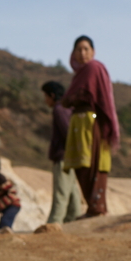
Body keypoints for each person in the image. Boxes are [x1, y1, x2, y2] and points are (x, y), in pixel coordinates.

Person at [61, 35, 120, 217]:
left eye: (86, 49)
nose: (82, 53)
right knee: (82, 165)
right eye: (79, 49)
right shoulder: (79, 75)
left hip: (91, 122)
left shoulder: (94, 68)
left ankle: (97, 207)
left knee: (92, 164)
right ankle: (92, 207)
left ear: (93, 52)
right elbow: (66, 100)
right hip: (79, 122)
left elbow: (99, 99)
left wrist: (75, 98)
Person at [42, 81, 82, 223]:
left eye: (45, 96)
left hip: (63, 157)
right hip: (70, 156)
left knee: (61, 193)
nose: (45, 100)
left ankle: (53, 224)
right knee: (72, 193)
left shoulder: (59, 109)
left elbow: (68, 132)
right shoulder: (68, 108)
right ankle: (76, 221)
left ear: (52, 95)